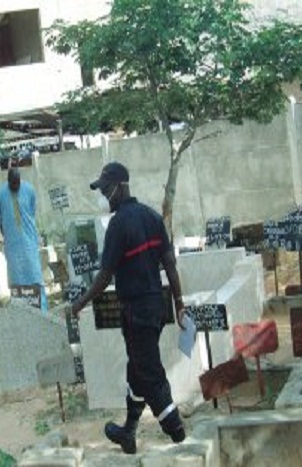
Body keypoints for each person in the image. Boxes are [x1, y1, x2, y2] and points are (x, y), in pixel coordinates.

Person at [72, 162, 187, 454]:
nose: (103, 195)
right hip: (156, 308)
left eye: (106, 189)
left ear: (121, 187)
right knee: (136, 371)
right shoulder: (152, 217)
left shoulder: (118, 225)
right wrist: (178, 303)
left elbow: (104, 277)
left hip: (136, 312)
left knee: (149, 373)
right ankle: (129, 432)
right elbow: (170, 264)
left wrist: (81, 302)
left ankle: (178, 434)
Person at [0, 167, 48, 312]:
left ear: (20, 180)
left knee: (35, 277)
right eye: (12, 184)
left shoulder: (29, 190)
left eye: (17, 183)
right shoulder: (0, 194)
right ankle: (20, 314)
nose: (15, 186)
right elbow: (0, 221)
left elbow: (31, 215)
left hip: (29, 244)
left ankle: (42, 311)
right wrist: (9, 237)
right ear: (8, 181)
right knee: (16, 281)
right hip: (12, 247)